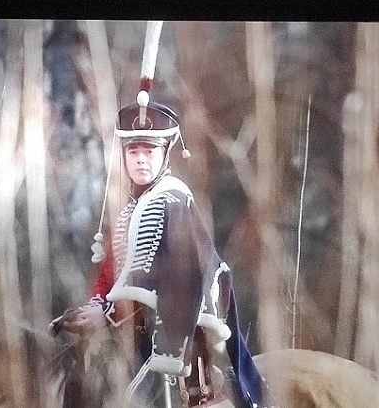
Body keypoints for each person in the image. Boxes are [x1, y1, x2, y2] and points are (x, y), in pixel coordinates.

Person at [51, 101, 267, 408]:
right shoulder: (129, 210)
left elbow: (158, 279)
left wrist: (109, 313)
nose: (140, 160)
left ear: (165, 153)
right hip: (128, 333)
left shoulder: (171, 200)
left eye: (149, 152)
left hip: (172, 333)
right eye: (133, 152)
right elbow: (112, 272)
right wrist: (94, 306)